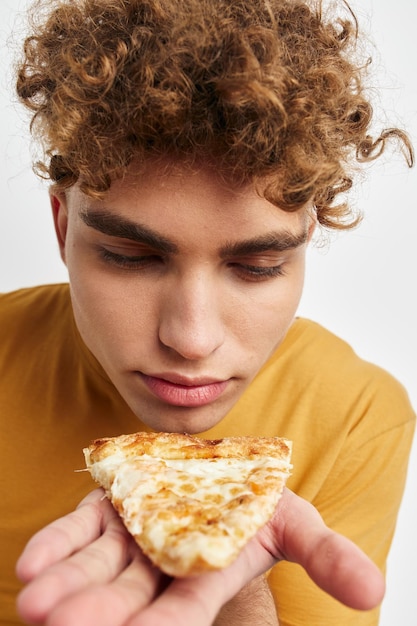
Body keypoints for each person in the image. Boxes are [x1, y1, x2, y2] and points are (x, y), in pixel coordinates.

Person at [0, 0, 415, 624]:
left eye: (258, 267)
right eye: (130, 257)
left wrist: (230, 579)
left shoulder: (357, 416)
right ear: (63, 229)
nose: (192, 340)